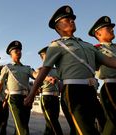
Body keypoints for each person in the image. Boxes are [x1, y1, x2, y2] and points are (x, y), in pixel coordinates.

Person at [24, 5, 116, 135]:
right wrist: (32, 94)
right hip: (73, 91)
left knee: (97, 125)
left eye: (72, 19)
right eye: (66, 20)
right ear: (58, 27)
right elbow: (44, 70)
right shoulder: (56, 45)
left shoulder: (88, 45)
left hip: (91, 91)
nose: (72, 21)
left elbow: (110, 61)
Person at [0, 40, 37, 135]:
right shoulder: (7, 67)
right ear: (11, 54)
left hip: (26, 99)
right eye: (16, 51)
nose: (19, 52)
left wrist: (47, 77)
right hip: (14, 99)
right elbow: (0, 85)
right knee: (22, 130)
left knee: (23, 125)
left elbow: (36, 75)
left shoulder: (27, 68)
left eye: (20, 50)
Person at [89, 16, 116, 135]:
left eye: (111, 27)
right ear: (98, 33)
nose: (112, 29)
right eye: (107, 28)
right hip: (111, 86)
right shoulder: (95, 50)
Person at [38, 47, 63, 135]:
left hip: (56, 98)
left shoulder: (57, 70)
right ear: (42, 57)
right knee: (52, 121)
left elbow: (61, 82)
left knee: (51, 123)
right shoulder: (40, 70)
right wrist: (48, 78)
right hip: (46, 97)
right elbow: (38, 78)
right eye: (46, 55)